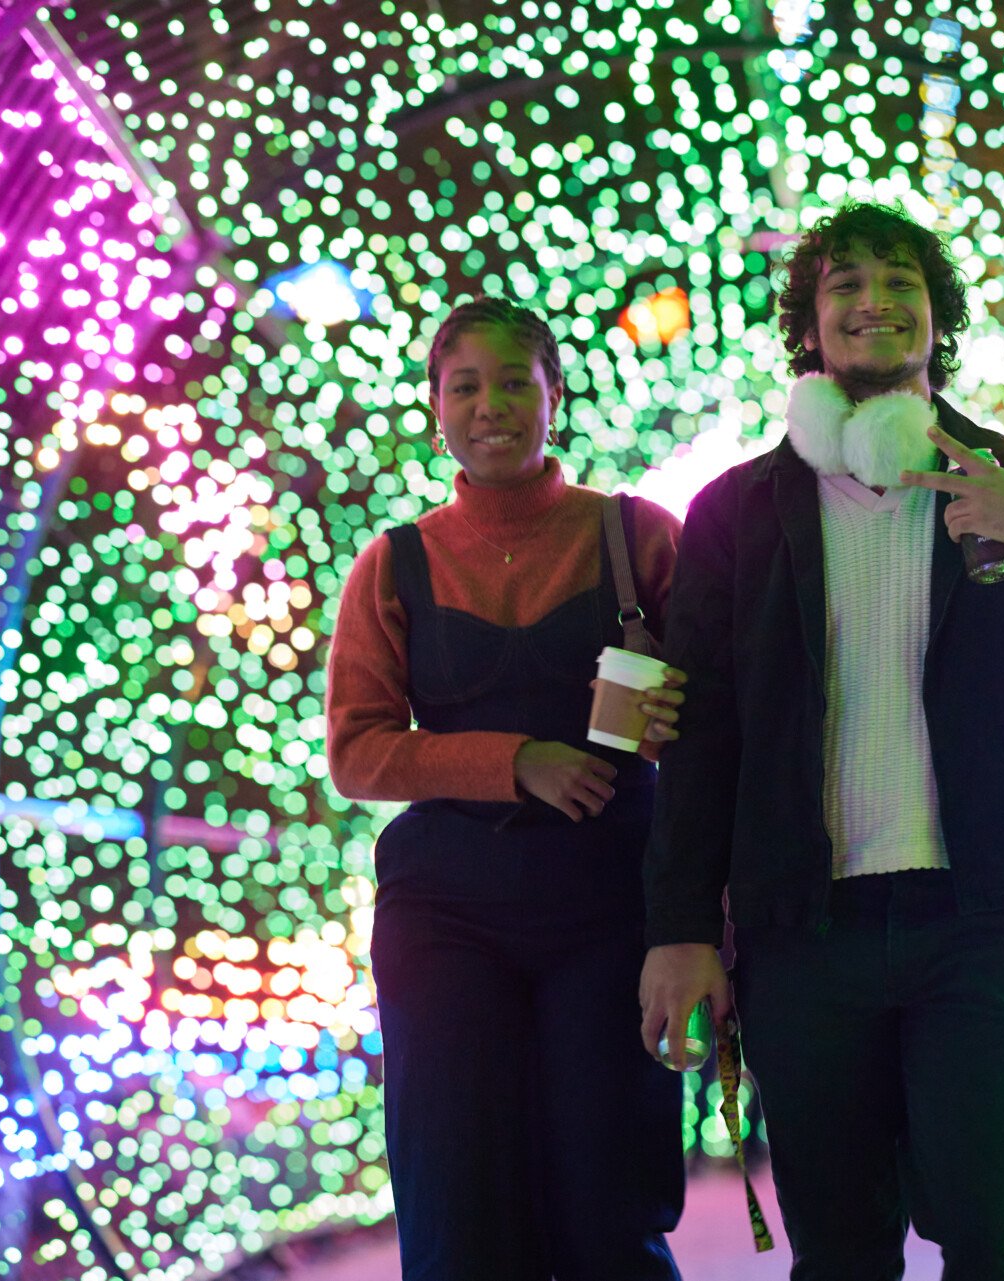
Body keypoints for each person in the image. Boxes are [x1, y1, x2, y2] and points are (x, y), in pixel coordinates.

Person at [638, 203, 1004, 1280]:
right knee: (840, 1254)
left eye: (900, 281)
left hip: (978, 925)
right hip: (804, 932)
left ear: (938, 318)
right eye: (845, 284)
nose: (874, 301)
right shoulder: (736, 515)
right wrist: (682, 927)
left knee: (994, 1236)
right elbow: (700, 742)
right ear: (810, 324)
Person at [326, 296, 689, 1280]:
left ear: (555, 395)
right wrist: (515, 761)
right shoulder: (393, 562)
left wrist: (675, 724)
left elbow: (721, 719)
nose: (491, 406)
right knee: (458, 1207)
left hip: (608, 907)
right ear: (435, 406)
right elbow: (356, 754)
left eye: (514, 382)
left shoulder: (639, 537)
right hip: (445, 912)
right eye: (465, 385)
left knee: (608, 1199)